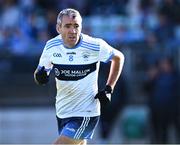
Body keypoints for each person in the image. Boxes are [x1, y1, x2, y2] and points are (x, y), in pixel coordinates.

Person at [34, 8, 124, 145]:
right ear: (58, 28)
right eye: (68, 26)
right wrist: (39, 77)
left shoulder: (94, 45)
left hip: (86, 112)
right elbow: (40, 72)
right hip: (63, 111)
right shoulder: (51, 46)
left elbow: (119, 57)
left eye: (76, 26)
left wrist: (109, 88)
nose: (73, 31)